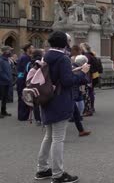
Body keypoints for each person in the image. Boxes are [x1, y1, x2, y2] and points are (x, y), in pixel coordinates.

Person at [35, 31, 89, 183]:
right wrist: (83, 73)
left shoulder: (46, 56)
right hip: (59, 100)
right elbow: (67, 81)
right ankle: (58, 174)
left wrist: (72, 72)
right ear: (64, 43)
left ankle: (42, 169)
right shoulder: (63, 58)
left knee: (49, 136)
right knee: (58, 139)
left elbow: (56, 76)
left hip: (47, 98)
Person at [71, 55, 91, 137]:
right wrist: (84, 72)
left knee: (76, 113)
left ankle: (81, 130)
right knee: (73, 112)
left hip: (73, 91)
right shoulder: (77, 69)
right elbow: (84, 80)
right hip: (72, 91)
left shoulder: (73, 67)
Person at [80, 43, 98, 115]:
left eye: (81, 48)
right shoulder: (92, 55)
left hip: (88, 75)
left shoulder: (86, 56)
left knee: (88, 92)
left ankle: (88, 108)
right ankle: (92, 107)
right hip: (93, 75)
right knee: (91, 92)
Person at [17, 43, 34, 121]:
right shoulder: (25, 58)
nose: (33, 49)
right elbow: (27, 70)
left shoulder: (24, 57)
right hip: (23, 80)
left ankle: (22, 115)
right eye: (31, 48)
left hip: (21, 79)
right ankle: (23, 116)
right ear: (28, 49)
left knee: (22, 97)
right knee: (24, 97)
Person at [0, 46, 14, 118]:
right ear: (5, 51)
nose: (10, 52)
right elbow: (1, 72)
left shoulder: (7, 60)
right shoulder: (1, 60)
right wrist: (8, 79)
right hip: (2, 82)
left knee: (5, 98)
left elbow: (9, 71)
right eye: (9, 50)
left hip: (7, 82)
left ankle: (3, 111)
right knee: (1, 97)